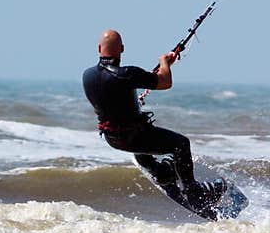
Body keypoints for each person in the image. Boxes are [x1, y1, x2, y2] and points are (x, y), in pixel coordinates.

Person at [82, 29, 223, 208]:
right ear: (122, 49)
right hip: (135, 137)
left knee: (142, 146)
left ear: (99, 48)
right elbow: (165, 82)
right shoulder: (127, 74)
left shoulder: (87, 76)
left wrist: (134, 100)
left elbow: (113, 100)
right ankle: (194, 193)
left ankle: (161, 173)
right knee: (181, 145)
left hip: (114, 139)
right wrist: (164, 63)